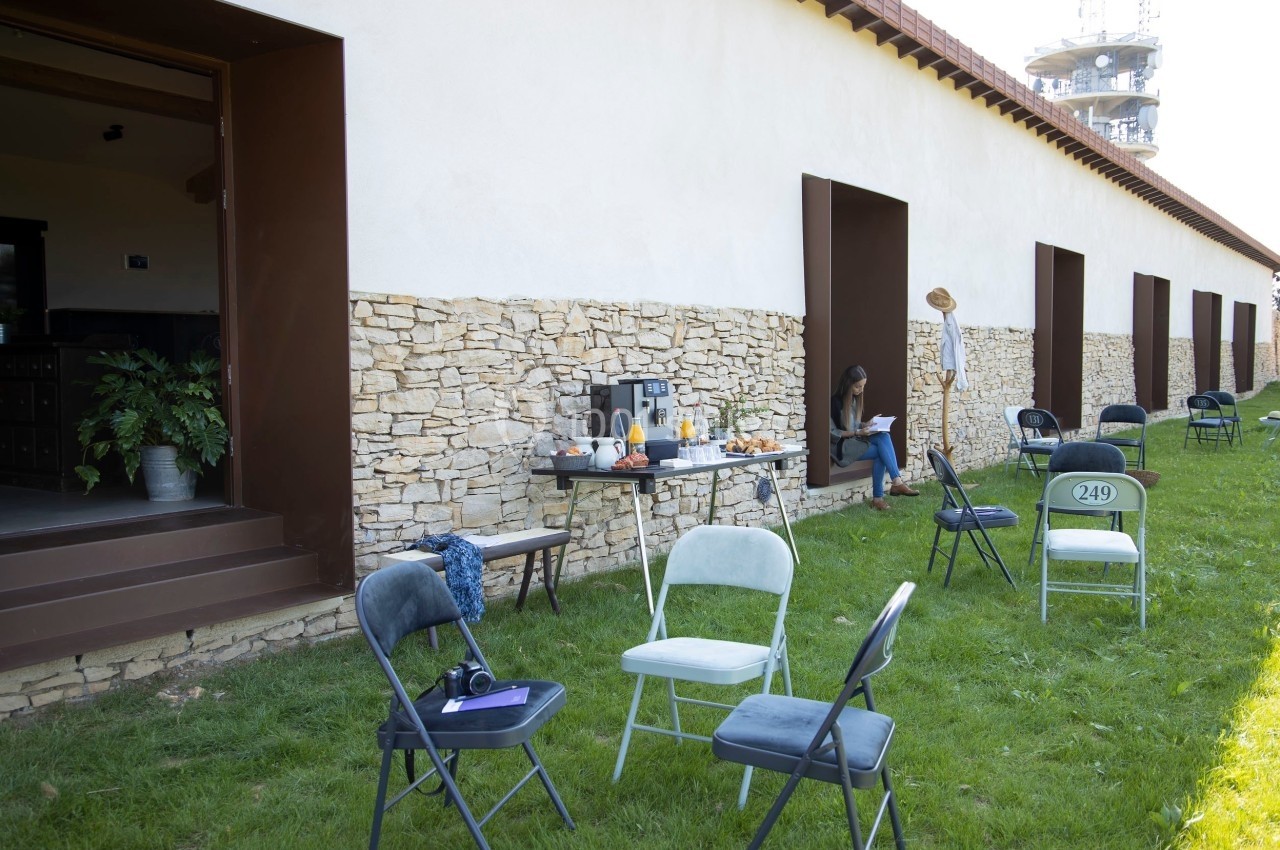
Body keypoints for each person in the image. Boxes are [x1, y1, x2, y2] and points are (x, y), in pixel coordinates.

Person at [830, 364, 918, 510]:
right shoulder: (834, 403)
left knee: (882, 438)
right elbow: (832, 432)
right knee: (882, 449)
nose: (861, 390)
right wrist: (858, 432)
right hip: (841, 448)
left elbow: (853, 425)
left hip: (854, 442)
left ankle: (884, 494)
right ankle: (891, 486)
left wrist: (867, 424)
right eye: (858, 386)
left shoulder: (853, 400)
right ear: (848, 384)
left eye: (863, 386)